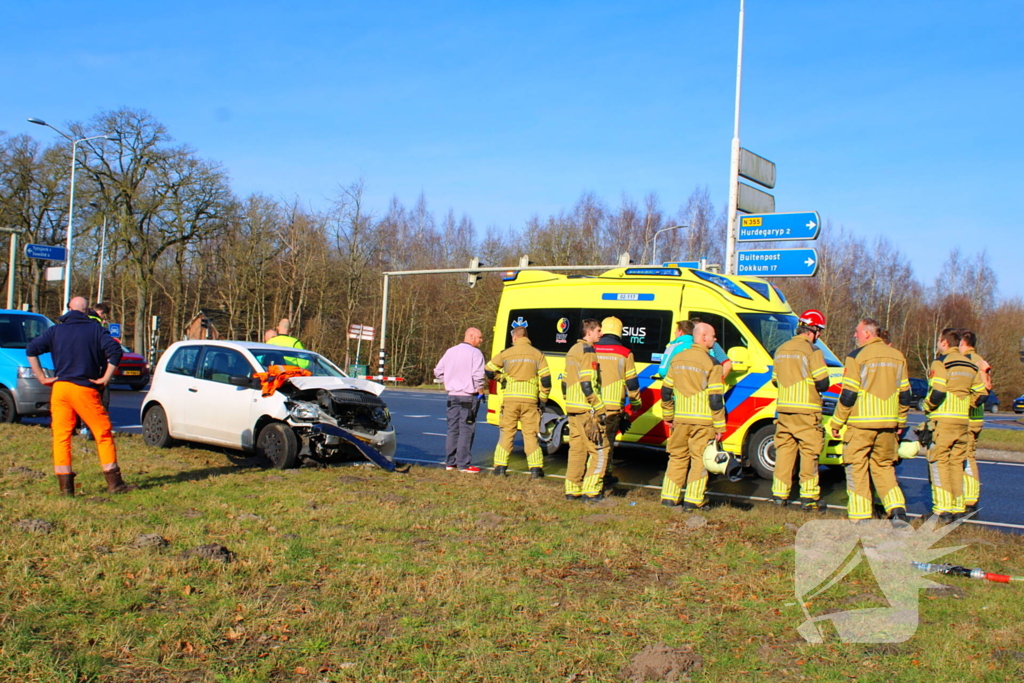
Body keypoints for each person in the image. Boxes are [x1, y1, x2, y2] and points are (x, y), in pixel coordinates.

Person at [26, 297, 136, 496]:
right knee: (102, 432)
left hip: (60, 389)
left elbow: (31, 350)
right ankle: (115, 482)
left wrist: (42, 377)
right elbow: (115, 352)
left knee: (61, 436)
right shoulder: (95, 330)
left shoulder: (55, 331)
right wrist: (105, 377)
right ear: (87, 311)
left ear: (69, 309)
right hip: (84, 388)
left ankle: (66, 488)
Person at [829, 318, 911, 523]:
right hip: (888, 424)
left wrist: (837, 422)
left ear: (867, 333)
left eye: (857, 331)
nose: (855, 335)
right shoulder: (897, 356)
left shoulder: (856, 356)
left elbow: (848, 394)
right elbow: (905, 394)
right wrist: (900, 421)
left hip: (861, 423)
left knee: (856, 466)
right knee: (884, 466)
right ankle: (897, 509)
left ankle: (861, 515)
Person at [659, 322, 726, 509]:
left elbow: (665, 391)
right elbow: (715, 399)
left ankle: (669, 497)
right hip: (703, 422)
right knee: (699, 460)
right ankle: (693, 501)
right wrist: (720, 426)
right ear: (703, 337)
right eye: (713, 335)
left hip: (680, 419)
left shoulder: (678, 358)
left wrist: (668, 416)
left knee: (677, 456)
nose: (715, 339)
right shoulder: (713, 363)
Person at [924, 328, 987, 522]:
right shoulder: (970, 365)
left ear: (944, 343)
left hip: (943, 421)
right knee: (956, 464)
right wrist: (964, 403)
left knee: (940, 463)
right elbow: (982, 394)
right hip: (962, 422)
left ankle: (942, 510)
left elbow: (938, 392)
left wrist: (927, 406)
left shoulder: (941, 362)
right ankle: (958, 507)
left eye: (938, 341)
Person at [771, 309, 830, 510]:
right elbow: (823, 383)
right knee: (809, 453)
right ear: (812, 329)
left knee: (784, 452)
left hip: (785, 410)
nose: (819, 335)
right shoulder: (813, 351)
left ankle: (779, 495)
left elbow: (775, 381)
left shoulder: (780, 349)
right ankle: (809, 497)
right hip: (807, 411)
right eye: (819, 331)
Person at [485, 323, 551, 478]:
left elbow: (488, 369)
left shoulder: (506, 353)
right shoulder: (538, 354)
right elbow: (546, 380)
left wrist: (501, 378)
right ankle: (536, 470)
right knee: (530, 435)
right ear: (526, 338)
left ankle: (500, 468)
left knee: (507, 433)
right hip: (530, 401)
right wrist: (543, 399)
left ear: (514, 337)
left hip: (510, 401)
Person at [594, 316, 641, 485]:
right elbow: (632, 382)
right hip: (613, 406)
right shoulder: (625, 353)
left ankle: (593, 476)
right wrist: (635, 403)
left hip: (592, 404)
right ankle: (602, 477)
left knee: (593, 443)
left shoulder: (591, 348)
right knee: (608, 443)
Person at [563, 319, 607, 502]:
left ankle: (572, 489)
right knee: (600, 450)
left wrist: (569, 400)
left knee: (577, 449)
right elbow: (587, 383)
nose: (601, 334)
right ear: (588, 332)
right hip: (586, 408)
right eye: (598, 330)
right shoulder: (588, 351)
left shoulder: (572, 350)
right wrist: (598, 407)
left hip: (573, 407)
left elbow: (565, 382)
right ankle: (591, 491)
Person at [434, 327, 486, 473]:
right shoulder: (475, 353)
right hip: (468, 397)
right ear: (471, 336)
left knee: (452, 429)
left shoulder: (450, 351)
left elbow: (438, 371)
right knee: (466, 430)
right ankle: (464, 464)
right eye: (479, 337)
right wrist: (480, 390)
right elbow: (478, 376)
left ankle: (450, 462)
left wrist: (448, 381)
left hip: (452, 396)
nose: (481, 340)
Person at [959, 329, 992, 513]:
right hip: (977, 416)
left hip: (969, 417)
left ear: (963, 343)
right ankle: (967, 496)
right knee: (968, 455)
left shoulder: (970, 361)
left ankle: (970, 499)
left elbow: (981, 393)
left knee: (966, 456)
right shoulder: (980, 359)